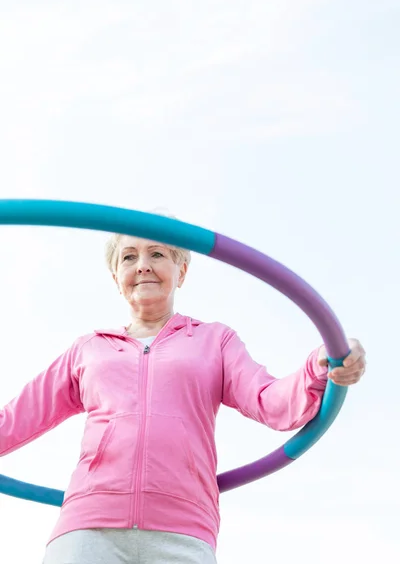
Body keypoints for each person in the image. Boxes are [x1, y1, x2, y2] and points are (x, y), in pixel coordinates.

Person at [0, 231, 366, 564]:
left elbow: (271, 402)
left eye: (157, 253)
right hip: (87, 528)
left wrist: (324, 362)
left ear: (182, 271)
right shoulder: (88, 348)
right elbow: (17, 419)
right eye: (128, 257)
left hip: (183, 530)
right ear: (116, 278)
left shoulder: (214, 341)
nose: (142, 265)